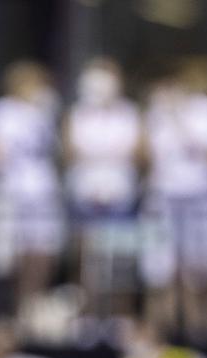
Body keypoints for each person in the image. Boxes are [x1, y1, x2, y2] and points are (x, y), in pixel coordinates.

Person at [141, 61, 207, 340]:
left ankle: (200, 334)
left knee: (199, 273)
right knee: (160, 273)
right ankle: (161, 337)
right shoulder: (158, 112)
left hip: (201, 200)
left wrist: (184, 126)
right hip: (163, 198)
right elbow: (144, 156)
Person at [0, 61, 63, 323]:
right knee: (6, 258)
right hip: (10, 194)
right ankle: (5, 314)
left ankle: (30, 310)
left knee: (41, 251)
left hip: (41, 193)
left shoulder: (44, 113)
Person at [64, 58, 144, 328]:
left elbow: (140, 154)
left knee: (120, 261)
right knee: (86, 259)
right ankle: (87, 316)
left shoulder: (130, 114)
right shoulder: (77, 114)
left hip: (120, 196)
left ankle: (120, 317)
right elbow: (69, 152)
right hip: (86, 196)